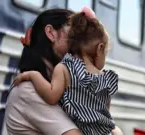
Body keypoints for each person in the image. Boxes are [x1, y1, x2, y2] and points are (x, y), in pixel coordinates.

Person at [14, 7, 120, 135]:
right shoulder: (28, 91)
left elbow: (108, 122)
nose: (78, 40)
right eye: (73, 33)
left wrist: (32, 75)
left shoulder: (65, 72)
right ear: (51, 33)